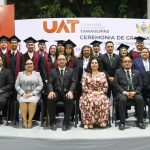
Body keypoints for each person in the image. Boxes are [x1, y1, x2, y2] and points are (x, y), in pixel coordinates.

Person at [114, 56, 145, 130]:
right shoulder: (118, 72)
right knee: (122, 99)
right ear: (122, 63)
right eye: (125, 61)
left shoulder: (136, 72)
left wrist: (135, 92)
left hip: (135, 92)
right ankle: (122, 122)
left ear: (132, 63)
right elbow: (116, 84)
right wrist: (124, 92)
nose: (127, 63)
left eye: (129, 61)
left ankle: (140, 121)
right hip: (122, 93)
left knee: (140, 98)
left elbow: (140, 84)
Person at [47, 55, 76, 131]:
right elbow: (49, 82)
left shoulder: (71, 70)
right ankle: (52, 122)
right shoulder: (53, 71)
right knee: (51, 98)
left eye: (63, 59)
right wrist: (51, 91)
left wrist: (71, 91)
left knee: (70, 98)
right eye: (59, 59)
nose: (61, 61)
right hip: (56, 92)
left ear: (66, 61)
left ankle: (66, 123)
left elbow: (74, 82)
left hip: (67, 92)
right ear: (57, 61)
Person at [79, 58, 110, 129]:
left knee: (103, 100)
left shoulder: (102, 74)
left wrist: (100, 92)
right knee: (88, 100)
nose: (94, 64)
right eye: (92, 63)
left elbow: (106, 86)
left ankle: (100, 122)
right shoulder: (86, 75)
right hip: (88, 93)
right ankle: (88, 122)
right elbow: (84, 86)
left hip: (100, 93)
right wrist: (91, 92)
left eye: (96, 63)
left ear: (98, 65)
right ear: (90, 65)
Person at [15, 59, 43, 128]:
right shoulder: (20, 74)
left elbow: (40, 85)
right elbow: (17, 85)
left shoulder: (37, 74)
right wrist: (22, 93)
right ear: (25, 66)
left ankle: (30, 120)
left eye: (31, 63)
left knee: (32, 101)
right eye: (27, 64)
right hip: (23, 94)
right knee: (23, 101)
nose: (29, 65)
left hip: (34, 94)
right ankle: (24, 120)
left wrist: (32, 93)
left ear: (33, 65)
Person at [5, 35, 24, 125]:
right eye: (12, 43)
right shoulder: (6, 55)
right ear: (10, 44)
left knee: (16, 100)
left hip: (18, 81)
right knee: (10, 99)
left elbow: (22, 70)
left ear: (17, 44)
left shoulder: (21, 55)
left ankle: (16, 119)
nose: (13, 44)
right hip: (8, 82)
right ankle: (9, 117)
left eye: (15, 43)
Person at [0, 56, 13, 123]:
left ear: (2, 62)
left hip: (4, 92)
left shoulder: (7, 71)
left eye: (0, 60)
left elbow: (10, 84)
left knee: (0, 100)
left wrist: (1, 90)